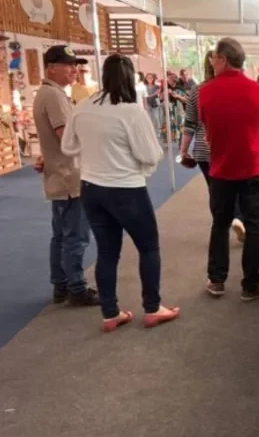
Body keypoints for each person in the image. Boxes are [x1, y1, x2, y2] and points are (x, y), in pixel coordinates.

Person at [61, 54, 179, 332]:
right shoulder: (131, 111)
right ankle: (152, 307)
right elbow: (150, 154)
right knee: (148, 247)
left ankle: (110, 313)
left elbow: (68, 146)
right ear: (129, 78)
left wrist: (94, 153)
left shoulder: (83, 107)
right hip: (126, 189)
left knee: (107, 251)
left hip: (91, 188)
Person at [199, 37, 259, 301]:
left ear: (223, 59)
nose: (212, 62)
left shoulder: (205, 92)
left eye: (214, 58)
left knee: (220, 225)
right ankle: (251, 285)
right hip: (253, 168)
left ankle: (217, 280)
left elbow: (207, 126)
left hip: (221, 170)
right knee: (254, 226)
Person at [32, 45, 99, 306]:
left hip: (59, 174)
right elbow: (67, 139)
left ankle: (61, 285)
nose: (74, 69)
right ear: (51, 67)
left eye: (75, 64)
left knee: (60, 235)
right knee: (75, 237)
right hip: (69, 176)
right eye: (68, 64)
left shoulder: (48, 93)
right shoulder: (54, 96)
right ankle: (76, 288)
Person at [181, 50, 246, 242]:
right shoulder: (233, 88)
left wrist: (183, 150)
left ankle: (221, 228)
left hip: (203, 150)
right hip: (229, 147)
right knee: (236, 186)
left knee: (215, 190)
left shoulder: (197, 91)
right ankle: (238, 218)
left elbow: (190, 124)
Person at [144, 73, 162, 140]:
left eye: (151, 78)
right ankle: (151, 132)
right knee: (149, 118)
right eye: (148, 78)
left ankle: (158, 131)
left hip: (155, 104)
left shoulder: (156, 86)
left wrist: (148, 96)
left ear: (153, 78)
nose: (149, 79)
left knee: (156, 117)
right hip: (147, 104)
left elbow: (157, 93)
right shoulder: (144, 87)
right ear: (146, 79)